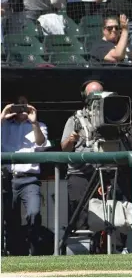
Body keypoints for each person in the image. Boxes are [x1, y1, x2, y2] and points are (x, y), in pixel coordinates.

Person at [1, 98, 50, 256]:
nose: (21, 109)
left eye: (24, 105)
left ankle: (34, 251)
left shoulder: (39, 125)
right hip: (8, 178)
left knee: (34, 213)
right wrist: (3, 116)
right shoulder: (5, 125)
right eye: (17, 105)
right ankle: (15, 254)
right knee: (10, 218)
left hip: (29, 179)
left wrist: (34, 122)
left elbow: (42, 144)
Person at [60, 80, 104, 235]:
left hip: (104, 172)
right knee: (81, 214)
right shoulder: (75, 119)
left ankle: (113, 248)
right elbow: (64, 148)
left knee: (110, 210)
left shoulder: (111, 117)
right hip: (80, 174)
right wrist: (71, 140)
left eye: (100, 93)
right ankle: (82, 251)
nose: (97, 97)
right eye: (93, 94)